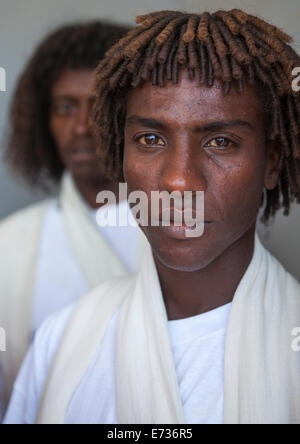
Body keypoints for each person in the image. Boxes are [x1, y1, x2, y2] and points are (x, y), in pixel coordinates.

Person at [4, 9, 300, 424]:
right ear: (119, 154)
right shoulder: (62, 339)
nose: (179, 180)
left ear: (270, 161)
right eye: (150, 138)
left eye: (220, 141)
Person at [0, 20, 147, 419]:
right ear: (42, 120)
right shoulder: (10, 243)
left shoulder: (184, 230)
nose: (81, 127)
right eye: (65, 107)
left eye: (98, 106)